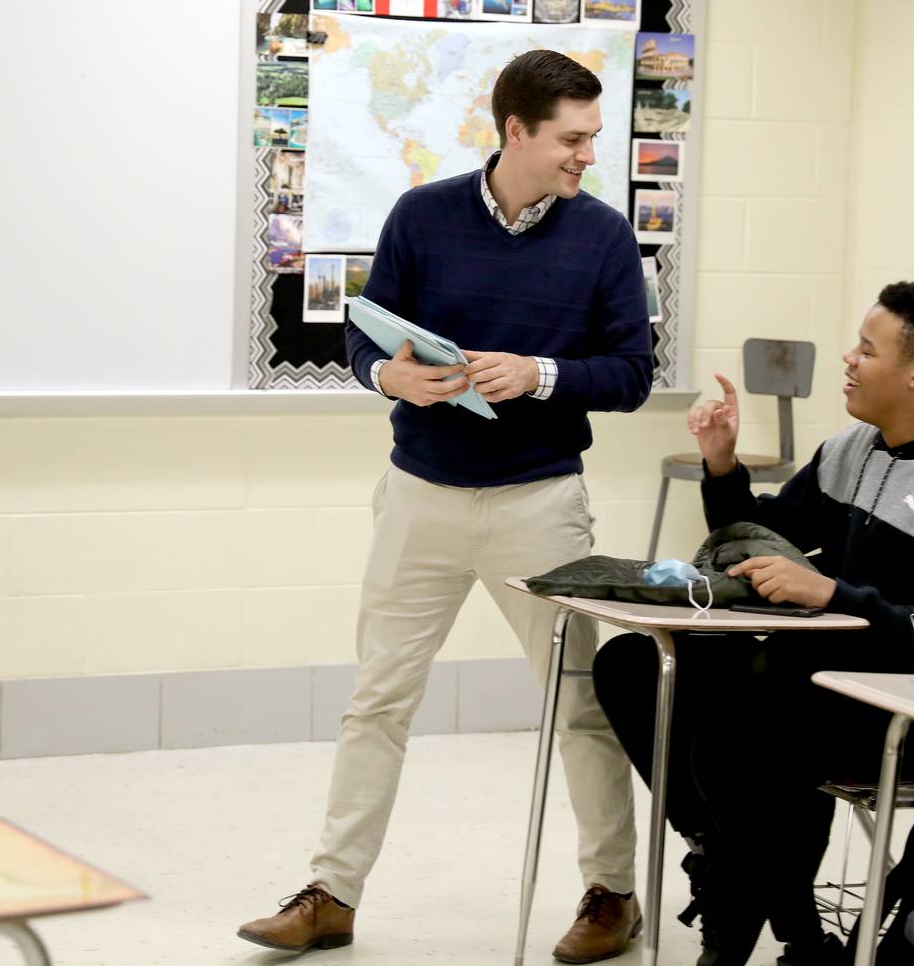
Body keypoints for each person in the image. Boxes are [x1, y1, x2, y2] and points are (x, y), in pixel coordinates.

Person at [238, 50, 652, 963]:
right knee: (377, 700)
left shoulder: (605, 237)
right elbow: (362, 331)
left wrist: (540, 374)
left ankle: (611, 894)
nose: (588, 154)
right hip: (420, 494)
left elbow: (630, 374)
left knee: (578, 703)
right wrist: (391, 373)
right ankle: (332, 893)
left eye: (591, 137)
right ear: (516, 131)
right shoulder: (422, 213)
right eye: (572, 138)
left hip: (540, 504)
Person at [593, 282, 914, 966]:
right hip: (812, 674)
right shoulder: (852, 449)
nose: (848, 358)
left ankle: (744, 924)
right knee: (632, 664)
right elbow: (764, 533)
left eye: (867, 348)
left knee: (746, 727)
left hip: (912, 703)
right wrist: (722, 462)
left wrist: (834, 592)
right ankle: (747, 874)